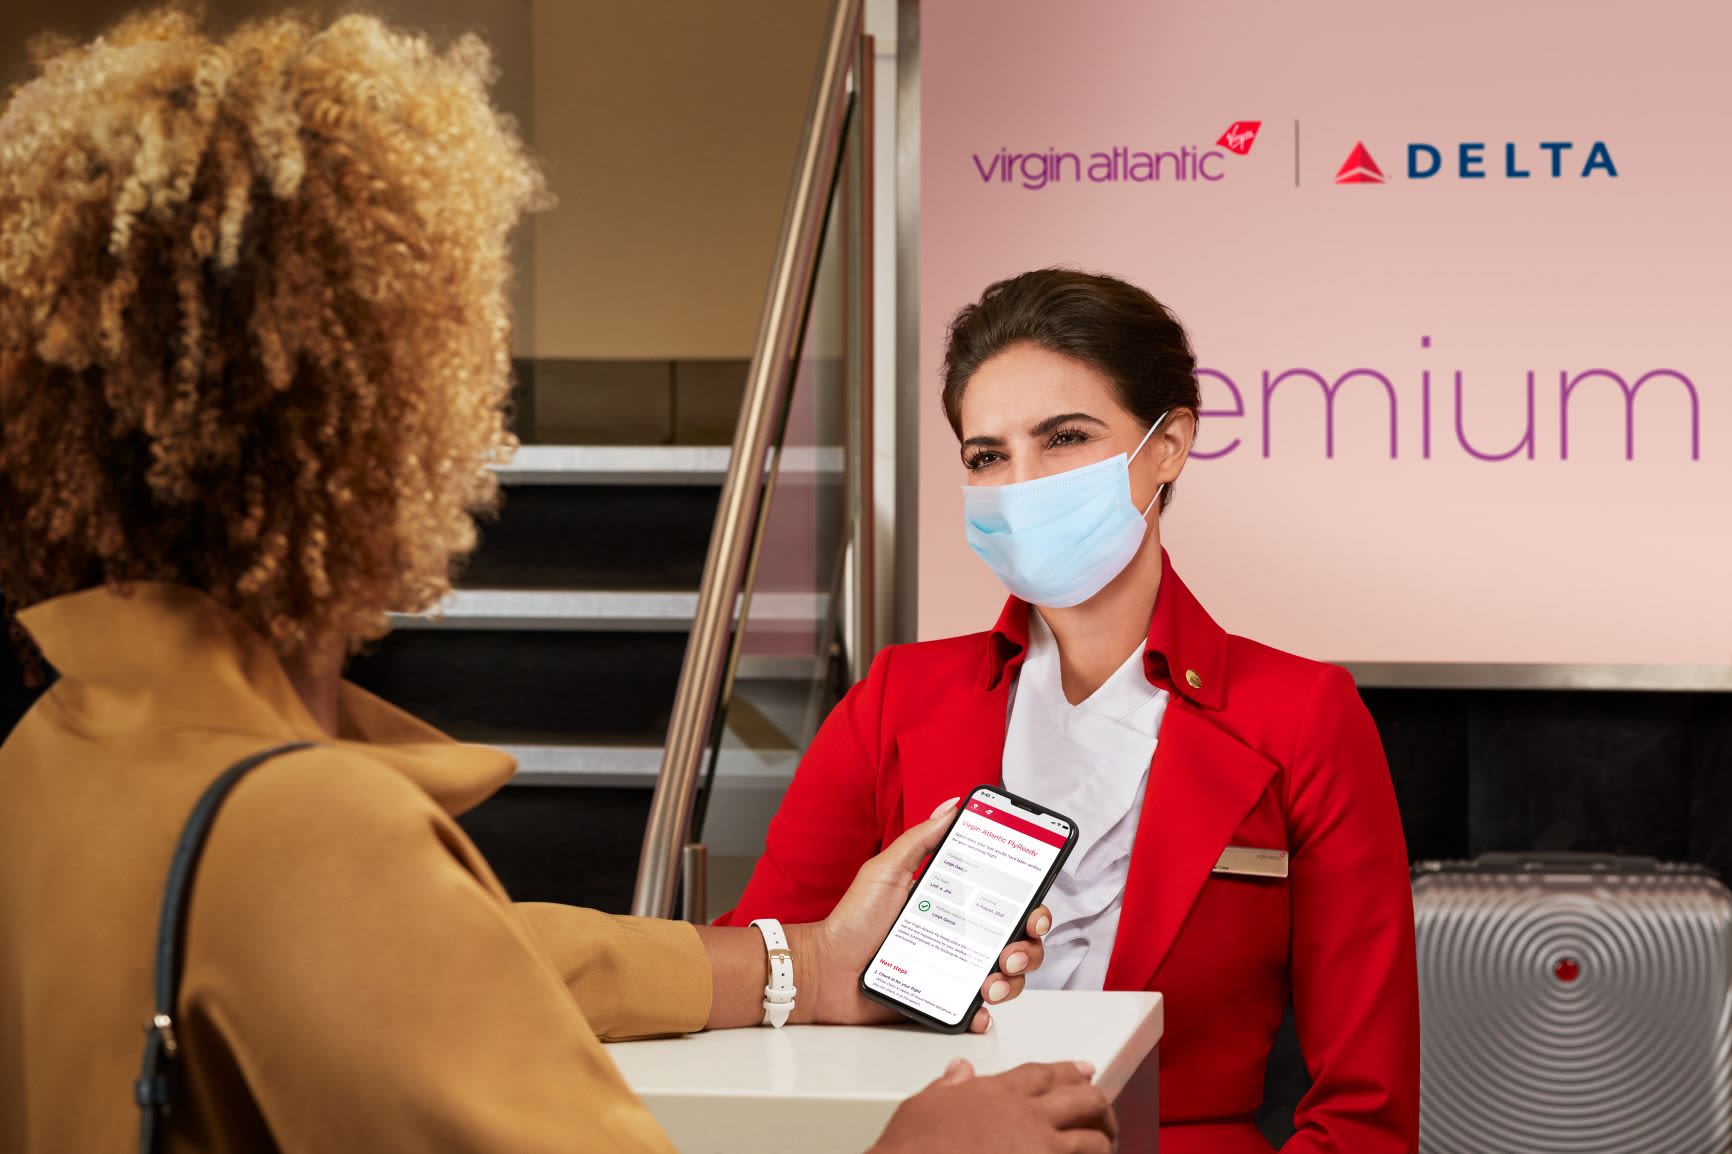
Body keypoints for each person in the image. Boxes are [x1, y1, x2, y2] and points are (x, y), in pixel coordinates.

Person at [0, 12, 1118, 1154]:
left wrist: (809, 962)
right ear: (376, 419)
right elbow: (393, 931)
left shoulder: (56, 748)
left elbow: (473, 954)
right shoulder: (312, 828)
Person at [720, 269, 1422, 1153]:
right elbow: (757, 982)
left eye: (1064, 438)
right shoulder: (897, 699)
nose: (1023, 482)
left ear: (1167, 446)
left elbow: (1365, 1110)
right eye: (988, 456)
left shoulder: (1302, 716)